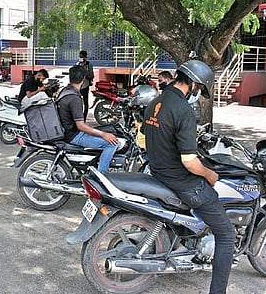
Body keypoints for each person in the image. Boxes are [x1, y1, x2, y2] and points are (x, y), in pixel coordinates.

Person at [142, 60, 235, 294]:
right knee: (226, 234)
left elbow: (145, 136)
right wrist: (209, 174)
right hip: (181, 181)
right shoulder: (183, 110)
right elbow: (189, 162)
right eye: (199, 88)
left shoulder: (156, 101)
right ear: (193, 84)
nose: (198, 93)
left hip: (157, 172)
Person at [57, 64, 119, 172]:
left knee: (99, 133)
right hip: (74, 135)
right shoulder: (75, 98)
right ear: (83, 79)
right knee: (112, 143)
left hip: (65, 132)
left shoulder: (64, 91)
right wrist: (103, 134)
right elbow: (80, 126)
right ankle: (101, 177)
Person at [77, 50, 95, 121]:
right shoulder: (78, 64)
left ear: (85, 57)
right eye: (80, 57)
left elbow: (92, 76)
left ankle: (84, 118)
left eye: (82, 57)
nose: (81, 58)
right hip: (78, 86)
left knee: (85, 103)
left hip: (85, 86)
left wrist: (85, 74)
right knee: (78, 103)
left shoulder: (89, 65)